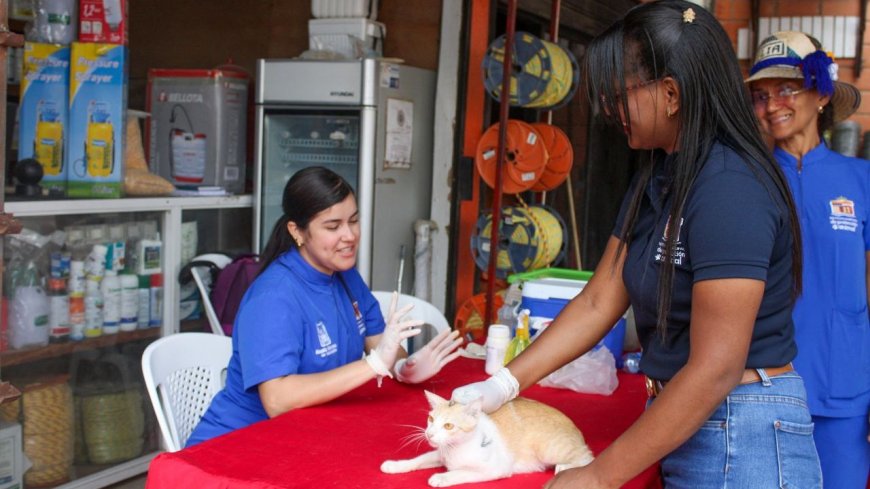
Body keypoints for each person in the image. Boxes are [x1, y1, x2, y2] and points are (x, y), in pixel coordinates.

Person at [452, 1, 822, 487]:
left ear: (670, 93)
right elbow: (599, 299)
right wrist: (503, 384)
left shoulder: (730, 188)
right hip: (693, 417)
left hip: (743, 431)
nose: (609, 110)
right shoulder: (661, 173)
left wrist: (599, 476)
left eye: (618, 95)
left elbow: (717, 367)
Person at [186, 166, 463, 447]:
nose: (350, 235)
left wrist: (404, 366)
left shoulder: (345, 275)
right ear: (297, 231)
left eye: (353, 221)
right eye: (333, 226)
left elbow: (382, 344)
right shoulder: (273, 297)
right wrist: (376, 364)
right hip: (238, 443)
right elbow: (277, 400)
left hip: (310, 433)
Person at [746, 31, 870, 488]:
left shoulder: (861, 181)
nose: (772, 104)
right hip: (759, 389)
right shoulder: (745, 181)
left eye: (786, 89)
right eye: (760, 96)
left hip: (845, 392)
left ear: (819, 93)